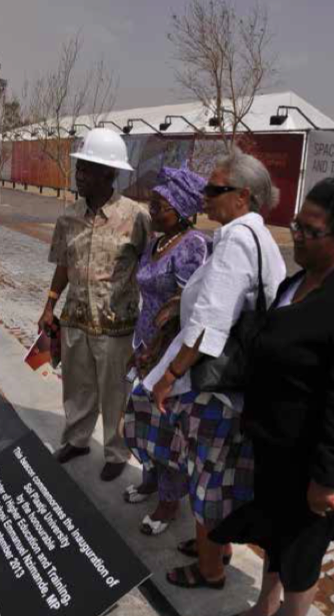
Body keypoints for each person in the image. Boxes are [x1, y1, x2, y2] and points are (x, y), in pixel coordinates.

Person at [211, 173, 334, 616]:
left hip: (312, 458)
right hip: (273, 442)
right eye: (296, 224)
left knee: (302, 548)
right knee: (273, 530)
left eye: (311, 231)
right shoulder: (298, 281)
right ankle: (265, 607)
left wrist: (328, 478)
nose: (297, 236)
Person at [139, 147, 286, 586]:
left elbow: (208, 323)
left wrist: (168, 376)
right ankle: (214, 546)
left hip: (216, 385)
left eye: (214, 189)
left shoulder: (239, 241)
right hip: (234, 380)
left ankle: (208, 569)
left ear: (242, 197)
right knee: (214, 470)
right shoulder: (253, 237)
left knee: (208, 475)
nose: (205, 195)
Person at [38, 128, 151, 481]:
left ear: (109, 173)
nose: (79, 175)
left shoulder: (136, 217)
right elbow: (63, 264)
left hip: (116, 324)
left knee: (115, 391)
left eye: (86, 168)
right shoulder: (69, 217)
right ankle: (77, 439)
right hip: (75, 319)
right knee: (76, 384)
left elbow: (152, 266)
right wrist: (49, 305)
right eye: (79, 167)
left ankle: (116, 451)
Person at [124, 164, 211, 535]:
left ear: (183, 209)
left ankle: (169, 501)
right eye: (153, 203)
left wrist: (157, 353)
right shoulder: (158, 242)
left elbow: (184, 307)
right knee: (142, 418)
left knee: (166, 428)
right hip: (144, 343)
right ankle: (150, 478)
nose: (152, 211)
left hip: (167, 352)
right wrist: (138, 347)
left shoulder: (193, 247)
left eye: (160, 205)